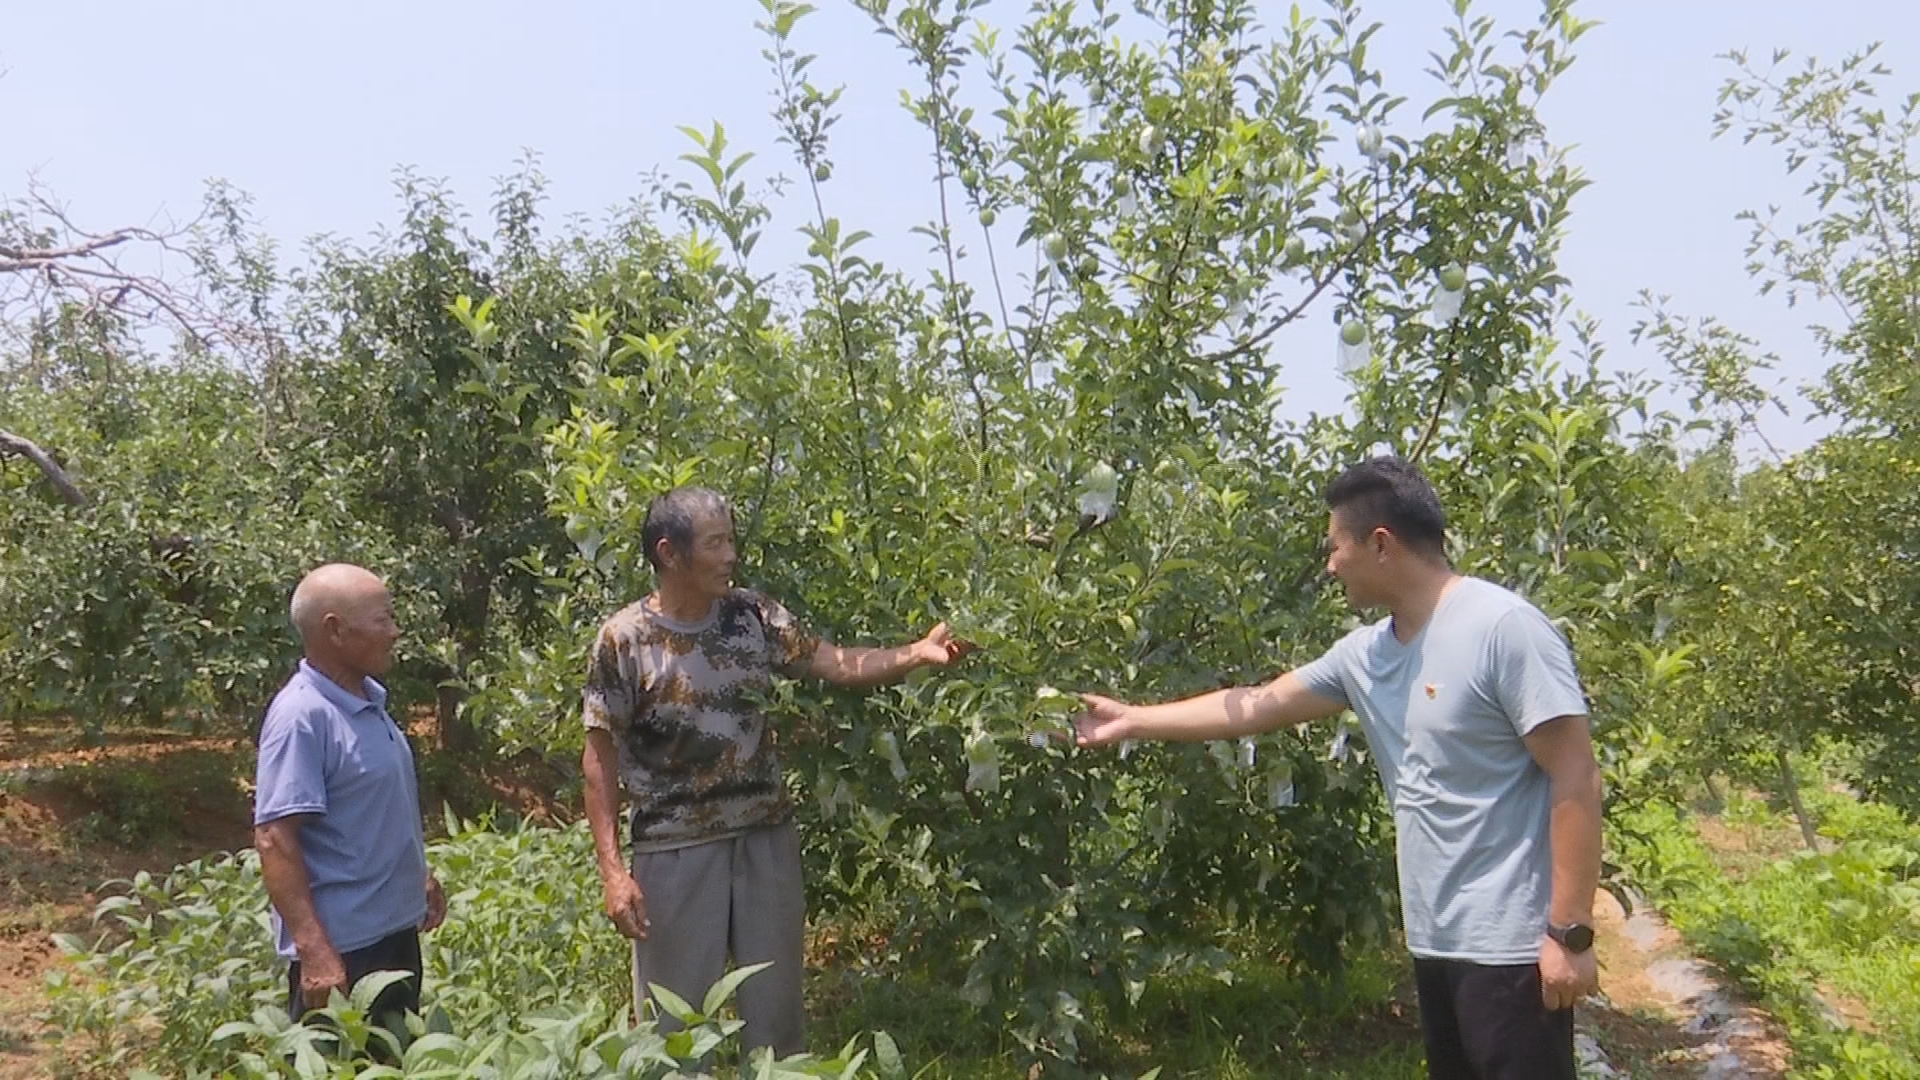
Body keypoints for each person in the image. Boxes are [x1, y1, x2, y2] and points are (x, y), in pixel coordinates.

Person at [1070, 456, 1602, 1080]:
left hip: (1512, 949)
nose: (1328, 565)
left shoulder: (1502, 629)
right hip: (1435, 940)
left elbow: (1576, 775)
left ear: (1380, 544)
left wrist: (1569, 935)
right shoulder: (1366, 655)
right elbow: (1254, 705)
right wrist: (1132, 719)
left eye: (1334, 546)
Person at [581, 486, 973, 1057]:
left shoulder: (752, 615)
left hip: (766, 841)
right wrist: (614, 873)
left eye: (731, 540)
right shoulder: (624, 640)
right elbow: (599, 757)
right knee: (674, 1036)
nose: (731, 555)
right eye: (715, 543)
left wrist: (913, 654)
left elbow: (832, 662)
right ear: (670, 553)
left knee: (777, 1025)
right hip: (674, 852)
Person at [254, 563, 446, 1051]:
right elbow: (276, 837)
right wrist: (315, 951)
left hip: (393, 934)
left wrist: (417, 875)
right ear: (335, 629)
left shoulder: (367, 700)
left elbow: (369, 805)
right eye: (383, 619)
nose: (395, 631)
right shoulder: (302, 716)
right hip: (347, 952)